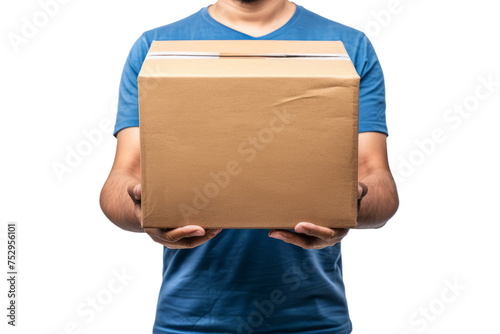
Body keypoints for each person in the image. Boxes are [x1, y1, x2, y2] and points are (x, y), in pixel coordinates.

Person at [99, 0, 399, 333]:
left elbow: (379, 184)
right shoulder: (157, 49)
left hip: (312, 321)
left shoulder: (348, 47)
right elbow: (120, 181)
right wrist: (145, 214)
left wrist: (348, 205)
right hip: (189, 321)